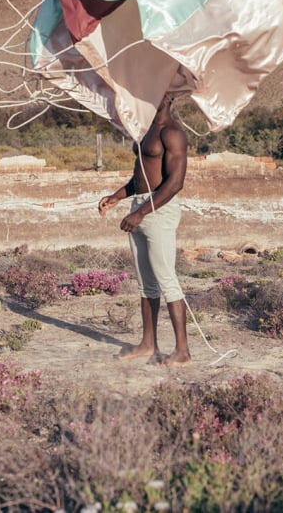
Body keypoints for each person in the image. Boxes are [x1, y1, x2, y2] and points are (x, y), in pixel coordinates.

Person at [98, 93, 191, 365]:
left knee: (166, 279)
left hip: (158, 209)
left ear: (169, 97)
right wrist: (117, 197)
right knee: (145, 283)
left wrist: (141, 212)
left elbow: (175, 183)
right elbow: (140, 176)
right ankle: (148, 344)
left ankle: (182, 351)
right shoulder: (144, 130)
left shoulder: (172, 133)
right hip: (140, 205)